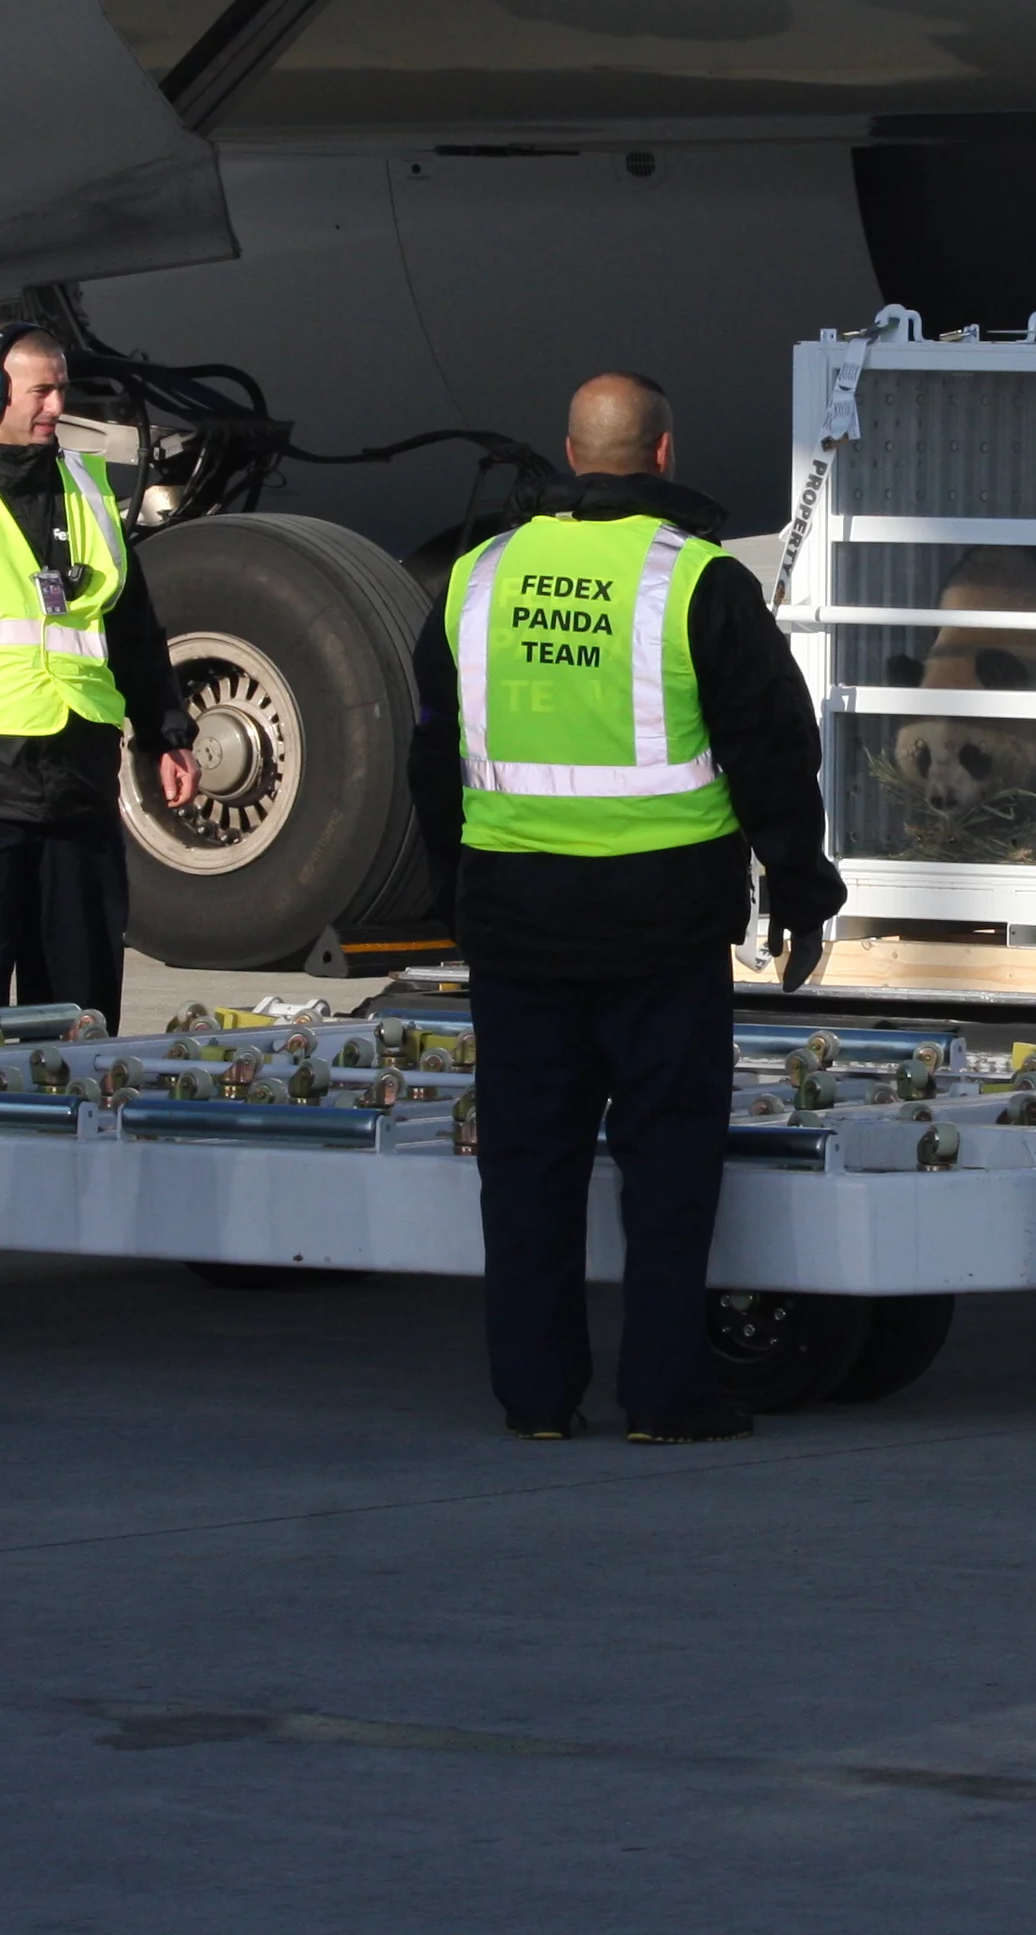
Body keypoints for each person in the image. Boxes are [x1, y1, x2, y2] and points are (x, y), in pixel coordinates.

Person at [408, 371, 845, 1444]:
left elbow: (431, 754)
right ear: (664, 453)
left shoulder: (477, 577)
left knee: (526, 1167)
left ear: (569, 452)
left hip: (516, 918)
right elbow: (772, 749)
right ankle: (664, 1395)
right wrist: (801, 890)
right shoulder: (697, 579)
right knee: (668, 1168)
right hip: (662, 923)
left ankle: (535, 1398)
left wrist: (457, 892)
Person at [0, 323, 197, 1031]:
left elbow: (131, 624)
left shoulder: (85, 486)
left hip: (79, 777)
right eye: (41, 391)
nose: (56, 406)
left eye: (62, 390)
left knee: (80, 1008)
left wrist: (164, 734)